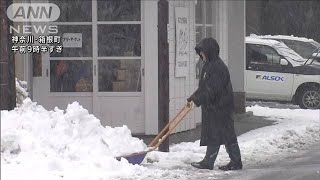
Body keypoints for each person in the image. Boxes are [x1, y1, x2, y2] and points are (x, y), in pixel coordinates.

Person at [187, 37, 243, 171]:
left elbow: (212, 89)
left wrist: (197, 99)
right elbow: (205, 87)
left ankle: (211, 162)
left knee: (218, 134)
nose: (201, 55)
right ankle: (233, 161)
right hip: (215, 107)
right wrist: (194, 97)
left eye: (202, 52)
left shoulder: (217, 67)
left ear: (210, 52)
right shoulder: (209, 66)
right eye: (200, 53)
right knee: (223, 134)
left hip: (221, 108)